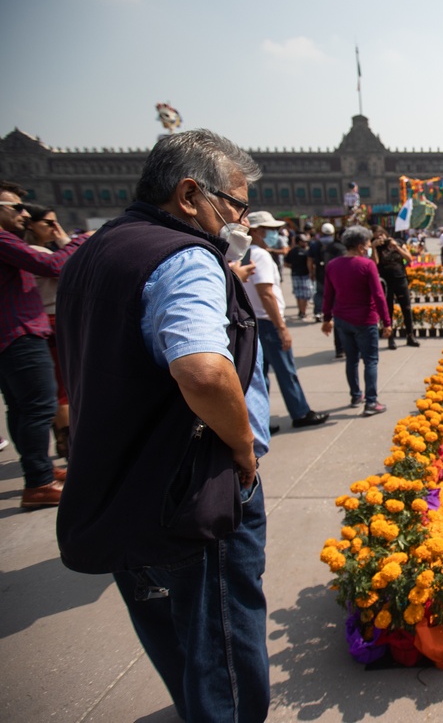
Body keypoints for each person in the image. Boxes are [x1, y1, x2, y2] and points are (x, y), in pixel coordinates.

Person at [54, 129, 271, 721]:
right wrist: (243, 449)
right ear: (189, 194)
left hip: (119, 484)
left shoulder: (94, 252)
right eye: (235, 204)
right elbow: (203, 372)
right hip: (191, 490)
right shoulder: (186, 258)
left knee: (172, 642)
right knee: (222, 652)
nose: (240, 220)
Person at [0, 180, 84, 509]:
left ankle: (40, 470)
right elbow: (53, 265)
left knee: (21, 408)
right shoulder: (3, 239)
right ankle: (39, 482)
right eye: (15, 207)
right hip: (20, 332)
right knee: (39, 406)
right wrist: (77, 241)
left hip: (14, 332)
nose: (23, 212)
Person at [244, 211, 329, 430]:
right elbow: (266, 293)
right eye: (269, 229)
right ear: (254, 231)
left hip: (251, 321)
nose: (274, 233)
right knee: (285, 370)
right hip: (268, 322)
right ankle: (300, 412)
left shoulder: (241, 254)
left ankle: (259, 420)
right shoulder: (260, 255)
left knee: (258, 376)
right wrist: (281, 327)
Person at [321, 227, 391, 416]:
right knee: (370, 361)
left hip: (342, 319)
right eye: (368, 244)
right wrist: (387, 321)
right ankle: (371, 402)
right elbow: (378, 295)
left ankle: (355, 395)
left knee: (351, 359)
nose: (369, 247)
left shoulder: (333, 265)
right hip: (365, 319)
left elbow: (328, 295)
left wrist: (327, 318)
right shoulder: (367, 265)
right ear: (361, 246)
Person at [23, 203, 73, 460]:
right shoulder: (37, 252)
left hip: (47, 320)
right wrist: (65, 239)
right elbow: (70, 263)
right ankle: (68, 446)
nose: (54, 228)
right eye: (48, 223)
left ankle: (63, 443)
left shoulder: (32, 251)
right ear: (31, 225)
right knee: (62, 388)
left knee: (56, 388)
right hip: (52, 321)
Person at [373, 227, 420, 349]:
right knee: (388, 310)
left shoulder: (398, 242)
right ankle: (390, 338)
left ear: (386, 234)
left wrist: (397, 247)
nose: (380, 238)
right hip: (386, 281)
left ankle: (410, 336)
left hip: (400, 278)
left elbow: (409, 259)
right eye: (377, 237)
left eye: (381, 235)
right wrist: (373, 247)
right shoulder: (377, 248)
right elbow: (375, 263)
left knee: (406, 308)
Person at [288, 232, 314, 320]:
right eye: (303, 241)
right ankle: (303, 312)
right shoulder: (306, 252)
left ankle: (301, 311)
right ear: (299, 242)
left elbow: (286, 263)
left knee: (298, 294)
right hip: (304, 275)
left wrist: (294, 267)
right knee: (304, 295)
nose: (305, 243)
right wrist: (311, 272)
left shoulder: (292, 251)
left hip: (295, 275)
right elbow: (309, 263)